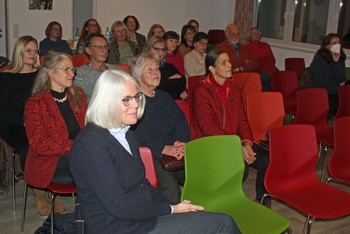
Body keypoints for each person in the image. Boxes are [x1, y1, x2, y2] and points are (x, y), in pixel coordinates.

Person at [69, 69, 241, 234]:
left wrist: (173, 207)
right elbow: (120, 206)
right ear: (107, 103)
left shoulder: (124, 132)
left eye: (136, 97)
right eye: (126, 99)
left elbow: (142, 184)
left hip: (140, 217)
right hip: (121, 227)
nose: (136, 104)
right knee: (223, 224)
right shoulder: (91, 145)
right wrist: (170, 209)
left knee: (208, 220)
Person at [191, 48, 270, 206]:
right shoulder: (202, 91)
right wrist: (236, 146)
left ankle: (262, 198)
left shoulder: (232, 87)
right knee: (241, 168)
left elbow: (242, 119)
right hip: (211, 143)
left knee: (266, 158)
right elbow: (208, 128)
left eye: (229, 61)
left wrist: (246, 143)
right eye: (223, 62)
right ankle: (226, 202)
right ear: (212, 69)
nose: (229, 65)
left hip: (234, 141)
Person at [24, 52, 87, 217]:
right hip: (51, 162)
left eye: (73, 69)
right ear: (50, 71)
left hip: (79, 156)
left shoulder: (78, 95)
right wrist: (75, 147)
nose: (72, 74)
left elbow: (89, 128)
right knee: (98, 168)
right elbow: (39, 144)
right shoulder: (35, 104)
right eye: (66, 69)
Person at [130, 52, 189, 203]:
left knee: (201, 175)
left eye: (157, 68)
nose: (156, 72)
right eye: (149, 69)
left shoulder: (164, 97)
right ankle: (173, 223)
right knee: (170, 189)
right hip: (149, 155)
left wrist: (181, 142)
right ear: (137, 76)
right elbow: (134, 135)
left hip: (174, 152)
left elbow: (180, 122)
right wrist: (163, 149)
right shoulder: (132, 101)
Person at [0, 36, 40, 172]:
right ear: (19, 52)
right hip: (15, 123)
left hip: (39, 121)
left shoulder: (42, 75)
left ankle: (52, 181)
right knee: (30, 146)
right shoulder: (6, 77)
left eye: (35, 51)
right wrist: (26, 121)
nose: (33, 54)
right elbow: (5, 109)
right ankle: (39, 188)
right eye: (28, 50)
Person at [216, 23, 271, 91]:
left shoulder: (245, 47)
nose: (236, 36)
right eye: (233, 34)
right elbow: (223, 66)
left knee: (264, 78)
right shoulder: (220, 48)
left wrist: (241, 68)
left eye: (238, 33)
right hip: (231, 77)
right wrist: (245, 62)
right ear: (226, 34)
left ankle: (263, 100)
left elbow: (256, 63)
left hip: (246, 75)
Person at [74, 33, 121, 101]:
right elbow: (80, 101)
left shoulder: (117, 71)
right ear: (88, 50)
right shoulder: (80, 73)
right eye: (99, 47)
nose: (104, 50)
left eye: (105, 47)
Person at [310, 33, 346, 116]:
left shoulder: (340, 58)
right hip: (323, 92)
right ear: (327, 46)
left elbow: (341, 78)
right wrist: (337, 83)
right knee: (337, 106)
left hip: (335, 92)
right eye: (334, 43)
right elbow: (319, 81)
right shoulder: (320, 58)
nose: (337, 45)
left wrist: (336, 61)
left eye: (338, 42)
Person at [144, 36, 187, 100]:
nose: (160, 52)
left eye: (162, 49)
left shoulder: (169, 66)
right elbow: (157, 86)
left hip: (175, 100)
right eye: (156, 49)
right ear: (148, 49)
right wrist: (171, 81)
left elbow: (183, 80)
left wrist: (167, 81)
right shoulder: (144, 67)